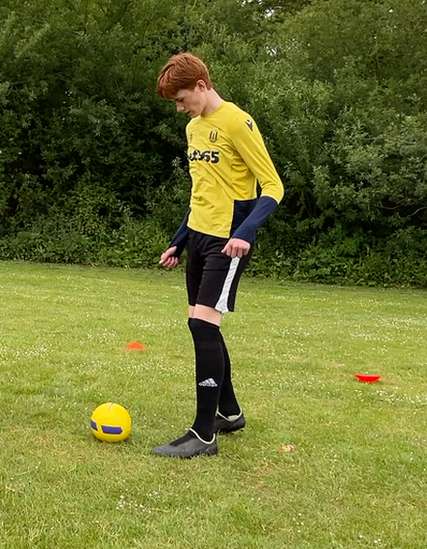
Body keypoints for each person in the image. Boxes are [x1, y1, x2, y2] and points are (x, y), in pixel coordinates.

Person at [154, 53, 284, 458]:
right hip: (200, 237)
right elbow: (202, 191)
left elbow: (273, 186)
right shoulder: (194, 128)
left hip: (229, 242)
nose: (179, 109)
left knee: (204, 326)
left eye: (181, 100)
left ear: (202, 86)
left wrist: (245, 232)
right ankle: (228, 412)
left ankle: (203, 434)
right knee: (200, 324)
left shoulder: (237, 122)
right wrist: (179, 239)